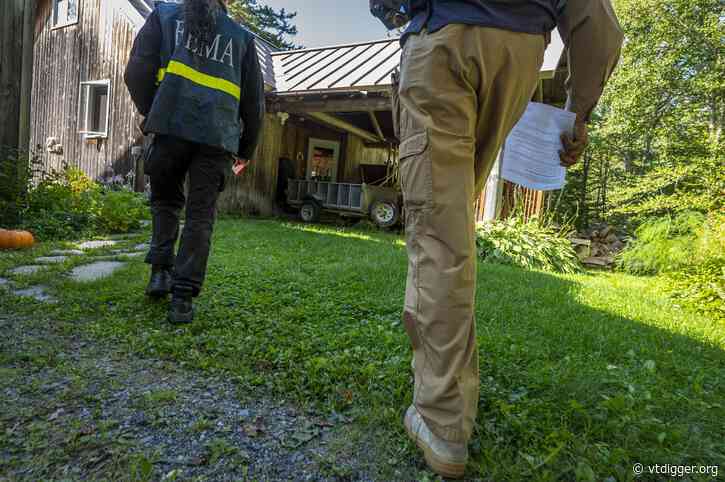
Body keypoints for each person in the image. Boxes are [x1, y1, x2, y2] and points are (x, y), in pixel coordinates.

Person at [382, 0, 624, 478]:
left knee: (439, 237)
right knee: (451, 228)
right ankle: (445, 385)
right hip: (521, 53)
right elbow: (599, 25)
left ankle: (443, 420)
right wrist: (577, 112)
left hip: (444, 43)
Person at [124, 0, 264, 324]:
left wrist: (152, 112)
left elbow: (136, 72)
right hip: (216, 140)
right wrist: (246, 149)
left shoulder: (164, 16)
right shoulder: (241, 38)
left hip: (170, 127)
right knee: (200, 215)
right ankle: (182, 299)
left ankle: (160, 273)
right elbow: (255, 104)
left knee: (165, 200)